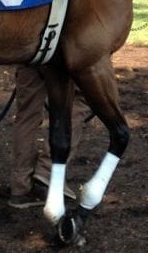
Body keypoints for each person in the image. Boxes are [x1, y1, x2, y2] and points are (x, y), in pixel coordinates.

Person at [8, 66, 90, 209]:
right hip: (63, 52)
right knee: (82, 98)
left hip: (28, 52)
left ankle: (21, 186)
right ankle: (48, 170)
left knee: (27, 112)